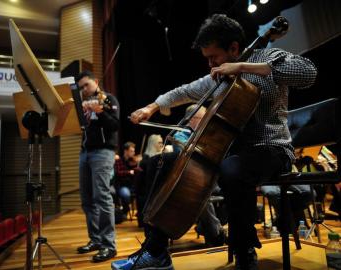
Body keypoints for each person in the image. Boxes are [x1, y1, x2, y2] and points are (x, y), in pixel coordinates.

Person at [111, 13, 317, 270]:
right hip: (231, 154)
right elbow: (183, 91)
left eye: (213, 57)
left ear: (233, 48)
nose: (210, 65)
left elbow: (307, 72)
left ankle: (245, 252)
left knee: (233, 170)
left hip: (272, 149)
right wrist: (151, 107)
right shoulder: (219, 76)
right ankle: (156, 250)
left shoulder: (265, 58)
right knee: (161, 161)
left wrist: (240, 67)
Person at [76, 70, 119, 262]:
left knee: (102, 196)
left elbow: (115, 125)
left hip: (103, 152)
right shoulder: (82, 104)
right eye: (81, 88)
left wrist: (99, 112)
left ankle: (109, 245)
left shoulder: (108, 99)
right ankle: (95, 240)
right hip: (84, 152)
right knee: (87, 199)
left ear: (95, 81)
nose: (84, 89)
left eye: (86, 85)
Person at [114, 141, 139, 218]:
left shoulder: (133, 161)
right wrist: (129, 172)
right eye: (131, 151)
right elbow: (118, 172)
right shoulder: (119, 160)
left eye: (134, 151)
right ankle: (125, 210)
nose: (134, 153)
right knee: (126, 194)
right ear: (125, 151)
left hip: (133, 185)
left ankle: (140, 213)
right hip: (123, 186)